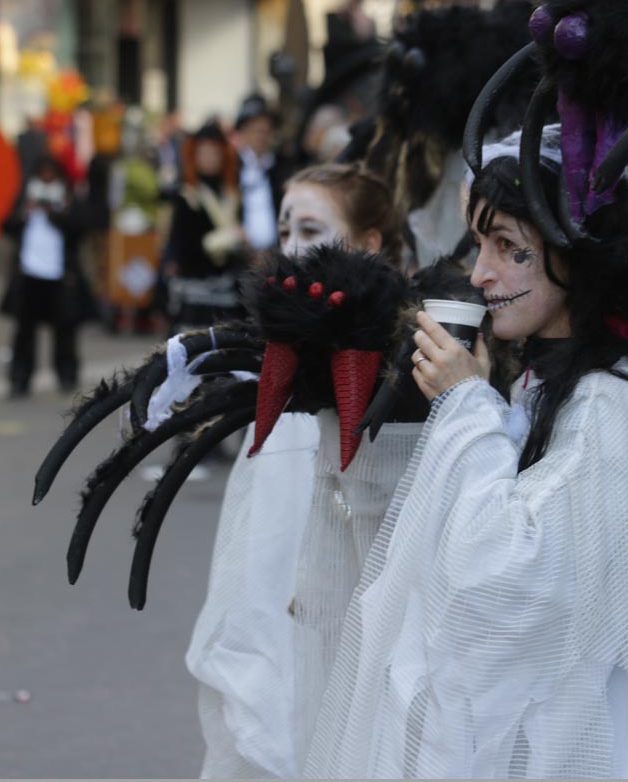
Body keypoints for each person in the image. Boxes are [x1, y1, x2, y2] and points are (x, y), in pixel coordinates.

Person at [302, 137, 628, 778]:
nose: (480, 275)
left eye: (512, 250)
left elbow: (507, 581)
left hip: (586, 735)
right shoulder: (553, 378)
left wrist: (464, 406)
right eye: (480, 245)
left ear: (577, 255)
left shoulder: (616, 402)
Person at [185, 163, 412, 778]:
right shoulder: (282, 361)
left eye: (311, 230)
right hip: (275, 613)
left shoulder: (401, 368)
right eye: (285, 230)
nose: (291, 248)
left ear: (368, 243)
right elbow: (259, 528)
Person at [0, 156, 93, 397]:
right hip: (29, 274)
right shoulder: (26, 197)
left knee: (65, 330)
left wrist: (54, 213)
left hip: (60, 275)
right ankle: (20, 378)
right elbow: (6, 225)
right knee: (24, 331)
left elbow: (80, 228)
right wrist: (25, 212)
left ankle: (66, 374)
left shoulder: (68, 198)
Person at [164, 121, 247, 331]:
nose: (210, 158)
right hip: (195, 286)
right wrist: (230, 237)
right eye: (204, 153)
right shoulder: (187, 195)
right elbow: (183, 243)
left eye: (215, 152)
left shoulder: (232, 194)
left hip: (227, 286)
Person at [232, 94, 287, 254]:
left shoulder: (281, 167)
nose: (261, 136)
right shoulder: (233, 167)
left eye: (266, 131)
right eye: (256, 130)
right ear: (243, 132)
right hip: (240, 255)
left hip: (276, 253)